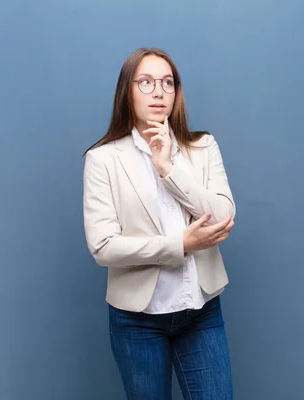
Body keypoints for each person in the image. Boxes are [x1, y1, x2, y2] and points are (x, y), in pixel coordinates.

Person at [82, 47, 236, 399]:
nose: (159, 92)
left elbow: (223, 215)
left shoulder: (202, 147)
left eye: (168, 83)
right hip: (136, 320)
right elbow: (104, 246)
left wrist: (168, 168)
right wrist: (181, 244)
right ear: (127, 91)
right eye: (146, 82)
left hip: (201, 312)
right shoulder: (103, 159)